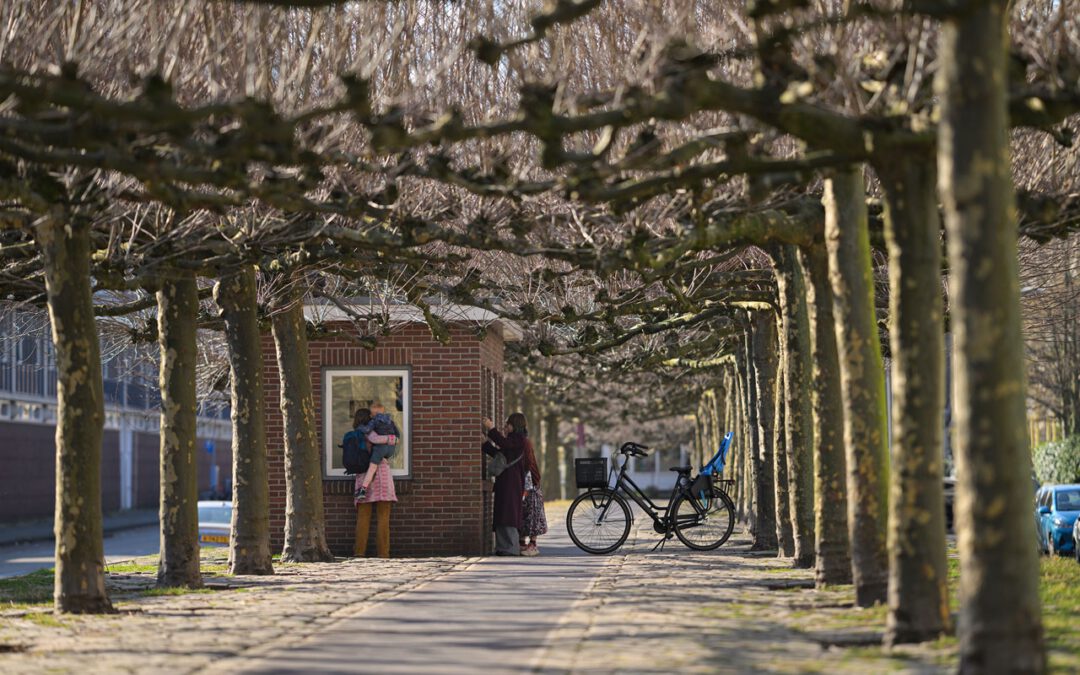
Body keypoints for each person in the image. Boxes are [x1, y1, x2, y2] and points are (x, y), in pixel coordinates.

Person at [348, 408, 398, 558]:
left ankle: (359, 552)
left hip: (363, 477)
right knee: (383, 518)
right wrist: (394, 439)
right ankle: (383, 554)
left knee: (363, 517)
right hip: (381, 476)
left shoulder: (357, 433)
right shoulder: (371, 432)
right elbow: (381, 440)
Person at [482, 413, 528, 556]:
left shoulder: (519, 440)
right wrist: (485, 444)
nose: (505, 427)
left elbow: (504, 444)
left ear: (515, 425)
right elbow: (499, 455)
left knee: (509, 514)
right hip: (506, 482)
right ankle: (502, 547)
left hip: (512, 483)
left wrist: (491, 429)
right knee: (502, 512)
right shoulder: (512, 441)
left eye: (507, 424)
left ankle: (511, 548)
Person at [354, 402, 400, 501]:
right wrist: (395, 439)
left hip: (380, 450)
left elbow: (375, 439)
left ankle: (363, 490)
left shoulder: (374, 422)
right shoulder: (390, 421)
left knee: (372, 468)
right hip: (390, 449)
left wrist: (360, 428)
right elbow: (397, 434)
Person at [519, 438, 548, 556]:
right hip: (525, 483)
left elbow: (529, 464)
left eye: (507, 426)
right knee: (523, 513)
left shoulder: (525, 444)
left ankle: (532, 544)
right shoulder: (523, 443)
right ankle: (522, 543)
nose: (505, 428)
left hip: (532, 484)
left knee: (533, 513)